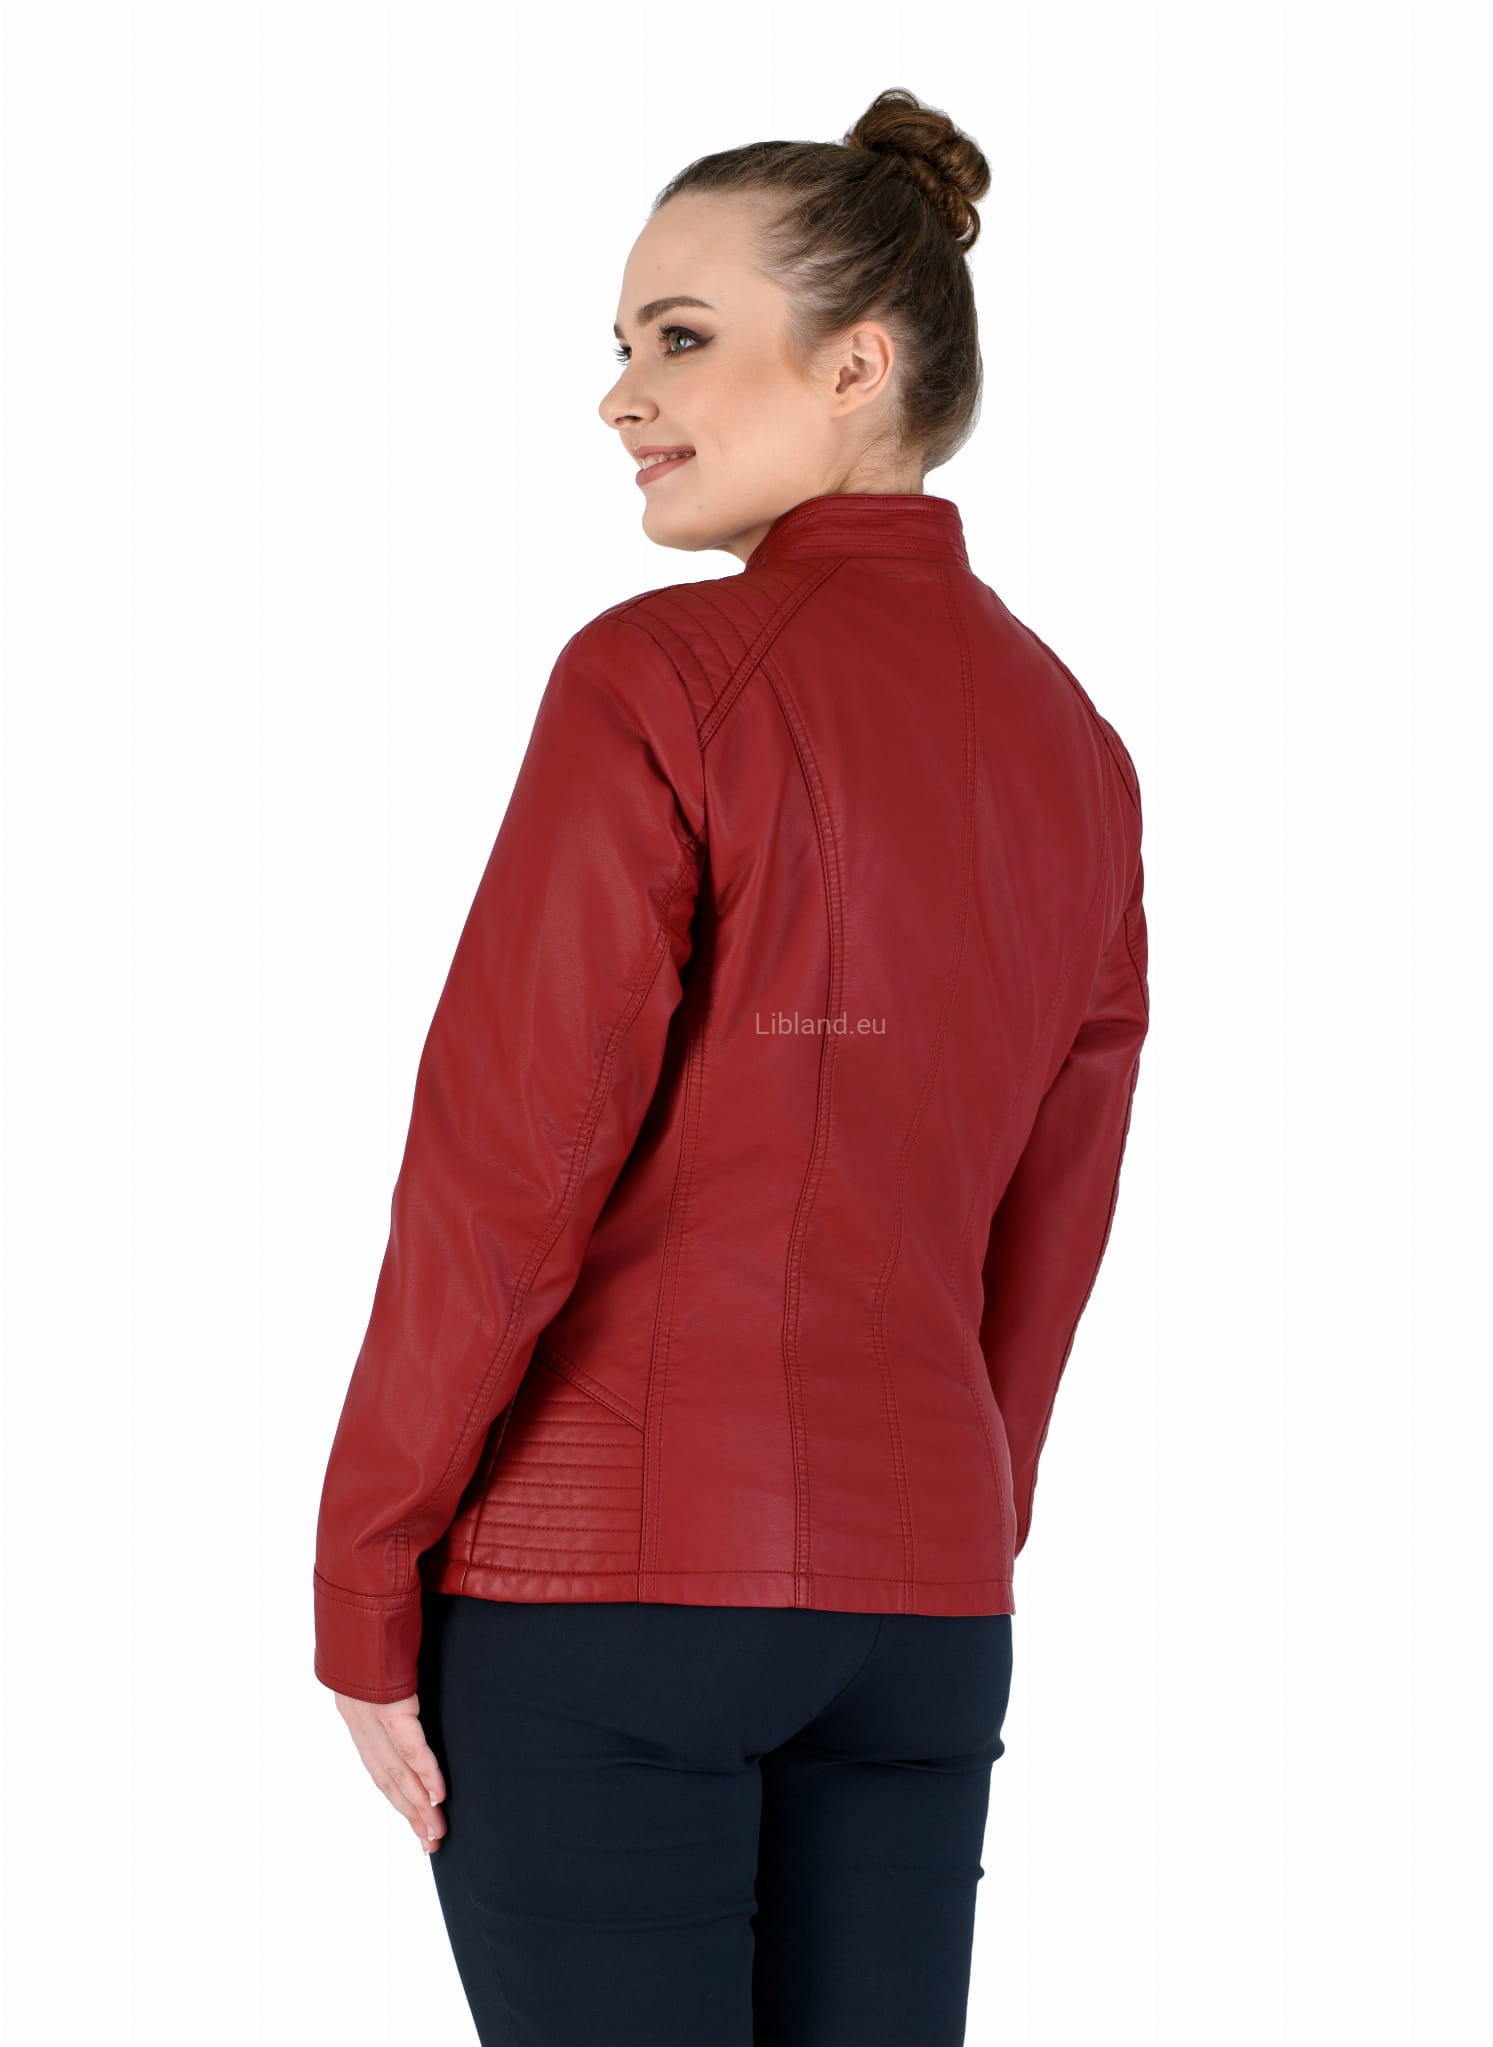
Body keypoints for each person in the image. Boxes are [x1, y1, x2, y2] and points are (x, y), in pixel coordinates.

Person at [312, 86, 1149, 2046]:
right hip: (922, 1618)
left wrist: (362, 1572)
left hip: (608, 1602)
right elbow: (1054, 1219)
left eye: (679, 337)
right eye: (623, 344)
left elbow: (507, 1167)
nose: (622, 395)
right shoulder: (1079, 748)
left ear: (857, 364)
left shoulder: (660, 678)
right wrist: (956, 1526)